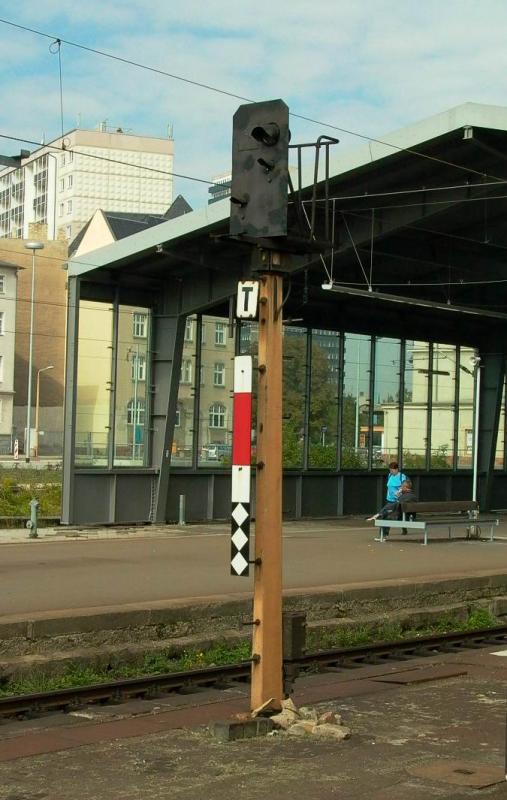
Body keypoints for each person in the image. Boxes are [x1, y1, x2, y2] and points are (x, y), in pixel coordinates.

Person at [367, 461, 407, 540]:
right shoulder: (390, 476)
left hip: (398, 501)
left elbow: (405, 487)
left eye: (392, 470)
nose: (391, 471)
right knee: (386, 515)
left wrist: (399, 492)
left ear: (397, 469)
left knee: (397, 516)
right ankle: (384, 534)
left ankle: (404, 527)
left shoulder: (402, 477)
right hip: (390, 500)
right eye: (390, 470)